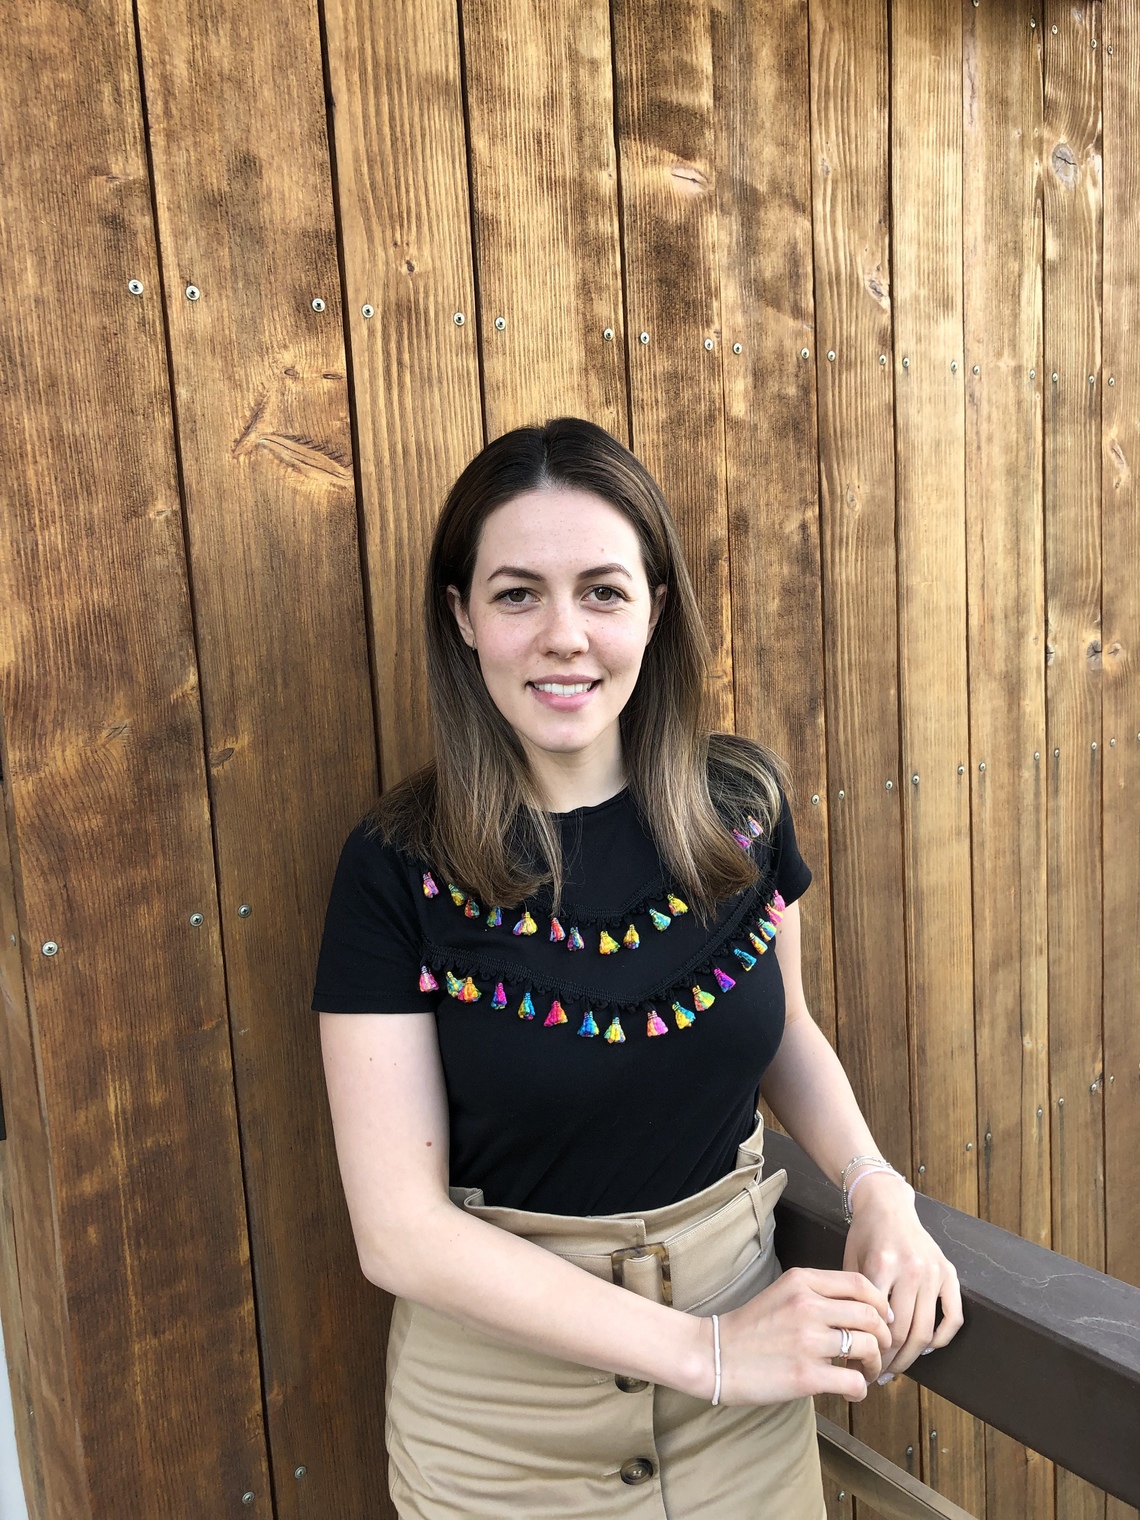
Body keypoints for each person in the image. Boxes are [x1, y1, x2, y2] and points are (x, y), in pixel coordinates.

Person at [311, 417, 962, 1519]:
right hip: (505, 1432)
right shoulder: (396, 868)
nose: (563, 635)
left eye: (602, 592)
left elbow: (786, 1030)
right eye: (518, 594)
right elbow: (399, 1233)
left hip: (744, 1403)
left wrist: (876, 1188)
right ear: (462, 616)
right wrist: (709, 1351)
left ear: (656, 610)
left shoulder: (742, 809)